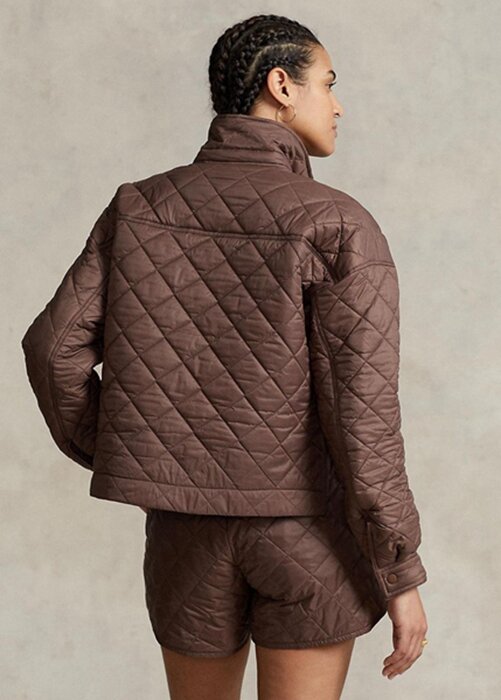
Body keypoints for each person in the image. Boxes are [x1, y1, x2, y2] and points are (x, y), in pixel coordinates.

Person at [21, 13, 429, 700]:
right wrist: (400, 571)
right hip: (310, 539)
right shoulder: (337, 223)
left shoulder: (139, 206)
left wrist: (139, 452)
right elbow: (364, 420)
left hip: (184, 537)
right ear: (281, 86)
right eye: (328, 84)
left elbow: (52, 348)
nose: (337, 105)